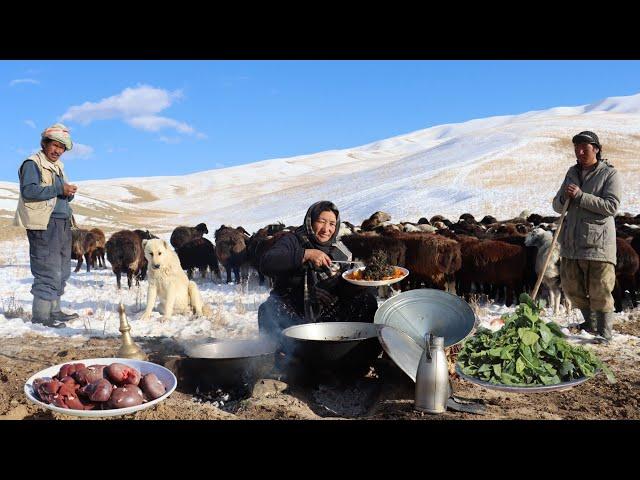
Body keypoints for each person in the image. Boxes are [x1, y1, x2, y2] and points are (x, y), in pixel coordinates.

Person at [257, 200, 378, 338]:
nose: (326, 229)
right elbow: (267, 263)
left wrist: (360, 284)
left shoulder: (339, 250)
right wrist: (305, 254)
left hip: (329, 310)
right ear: (311, 221)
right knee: (268, 310)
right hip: (292, 307)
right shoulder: (292, 240)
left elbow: (344, 287)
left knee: (367, 301)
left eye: (332, 224)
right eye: (321, 221)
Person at [552, 131, 622, 341]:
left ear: (596, 149)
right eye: (576, 148)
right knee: (571, 288)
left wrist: (581, 197)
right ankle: (590, 324)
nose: (579, 152)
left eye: (584, 148)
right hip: (571, 243)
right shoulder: (572, 172)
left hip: (598, 244)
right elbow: (557, 205)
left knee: (600, 289)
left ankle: (604, 332)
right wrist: (564, 196)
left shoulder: (609, 174)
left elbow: (612, 206)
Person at [14, 123, 79, 328]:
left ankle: (55, 310)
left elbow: (57, 192)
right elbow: (30, 191)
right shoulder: (32, 164)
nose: (58, 151)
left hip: (61, 222)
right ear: (45, 143)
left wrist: (68, 193)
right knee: (47, 269)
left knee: (62, 269)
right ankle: (41, 317)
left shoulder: (58, 167)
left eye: (62, 148)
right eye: (55, 145)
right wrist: (61, 188)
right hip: (44, 224)